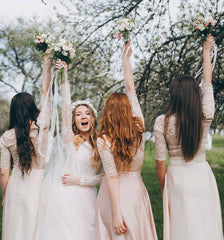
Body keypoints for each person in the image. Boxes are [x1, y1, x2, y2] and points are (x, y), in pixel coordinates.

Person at [154, 34, 223, 240]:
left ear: (173, 95)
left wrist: (164, 186)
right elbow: (207, 83)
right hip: (203, 175)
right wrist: (206, 52)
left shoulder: (162, 122)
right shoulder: (205, 115)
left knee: (182, 227)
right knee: (205, 226)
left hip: (176, 179)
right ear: (196, 94)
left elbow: (159, 161)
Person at [34, 60, 102, 240]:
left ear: (93, 118)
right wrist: (64, 78)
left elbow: (105, 177)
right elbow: (65, 108)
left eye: (86, 113)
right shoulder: (68, 139)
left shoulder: (100, 144)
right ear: (74, 120)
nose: (83, 117)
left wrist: (81, 180)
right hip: (65, 197)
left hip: (89, 197)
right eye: (78, 114)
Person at [96, 42, 158, 240]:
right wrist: (126, 60)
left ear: (107, 112)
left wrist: (116, 214)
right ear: (127, 110)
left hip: (112, 199)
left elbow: (112, 177)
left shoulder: (104, 139)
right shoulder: (138, 126)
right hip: (136, 195)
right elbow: (131, 90)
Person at [0, 53, 52, 240]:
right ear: (32, 108)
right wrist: (47, 64)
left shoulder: (6, 137)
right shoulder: (42, 128)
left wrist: (6, 196)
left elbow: (4, 172)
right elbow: (46, 96)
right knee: (35, 230)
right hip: (38, 185)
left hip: (15, 187)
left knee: (15, 231)